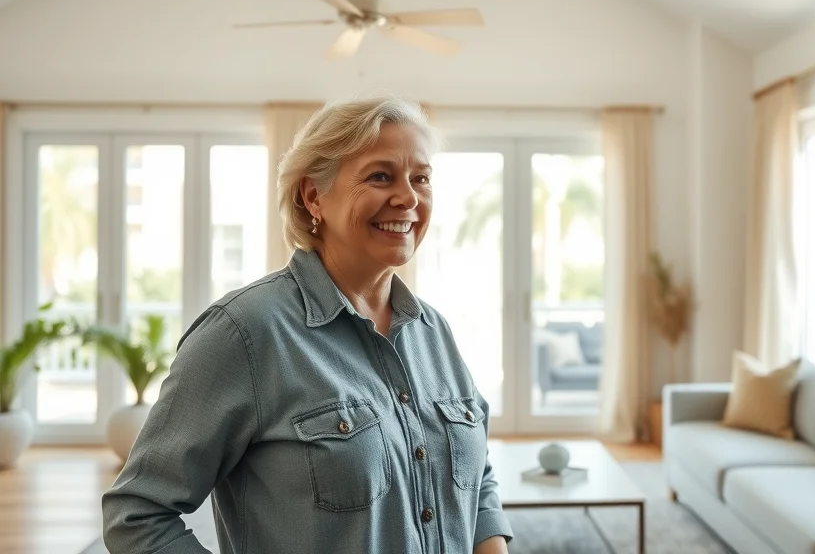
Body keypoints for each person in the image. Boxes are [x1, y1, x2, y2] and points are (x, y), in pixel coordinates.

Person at [101, 95, 514, 554]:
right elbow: (136, 515)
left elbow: (477, 479)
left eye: (421, 178)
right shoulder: (244, 332)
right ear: (314, 196)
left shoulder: (434, 332)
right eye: (381, 176)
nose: (408, 197)